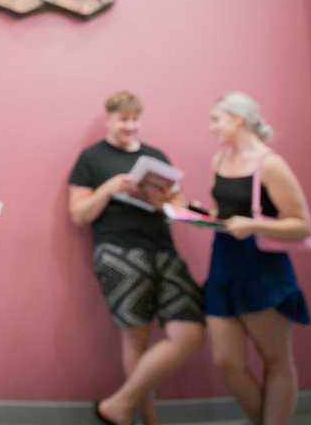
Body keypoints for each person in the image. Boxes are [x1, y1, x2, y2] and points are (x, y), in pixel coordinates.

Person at [68, 91, 204, 425]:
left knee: (190, 332)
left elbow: (181, 209)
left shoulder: (155, 156)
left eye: (135, 119)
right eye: (123, 119)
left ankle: (118, 405)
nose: (130, 126)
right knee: (136, 336)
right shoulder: (91, 159)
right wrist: (109, 188)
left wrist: (164, 203)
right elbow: (79, 214)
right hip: (118, 251)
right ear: (109, 120)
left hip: (163, 249)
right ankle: (145, 418)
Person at [204, 91, 311, 425]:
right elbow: (221, 213)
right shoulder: (219, 161)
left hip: (261, 269)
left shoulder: (271, 164)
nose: (212, 128)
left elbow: (302, 224)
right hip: (223, 266)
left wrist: (253, 224)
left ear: (237, 120)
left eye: (216, 120)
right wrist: (190, 213)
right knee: (226, 361)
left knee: (276, 360)